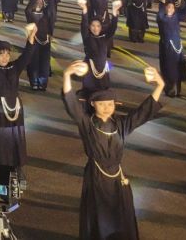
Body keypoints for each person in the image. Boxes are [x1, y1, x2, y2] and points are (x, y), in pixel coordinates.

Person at [61, 61, 164, 240]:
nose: (107, 107)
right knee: (98, 215)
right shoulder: (87, 123)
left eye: (110, 104)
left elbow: (143, 112)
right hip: (96, 176)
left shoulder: (121, 125)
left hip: (117, 178)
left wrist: (160, 85)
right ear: (93, 104)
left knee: (120, 216)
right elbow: (72, 104)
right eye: (102, 104)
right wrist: (66, 75)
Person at [0, 20, 35, 175]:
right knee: (0, 138)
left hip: (16, 108)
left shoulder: (14, 67)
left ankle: (16, 167)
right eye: (1, 54)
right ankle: (1, 169)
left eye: (7, 53)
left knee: (15, 137)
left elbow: (27, 56)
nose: (5, 57)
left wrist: (31, 37)